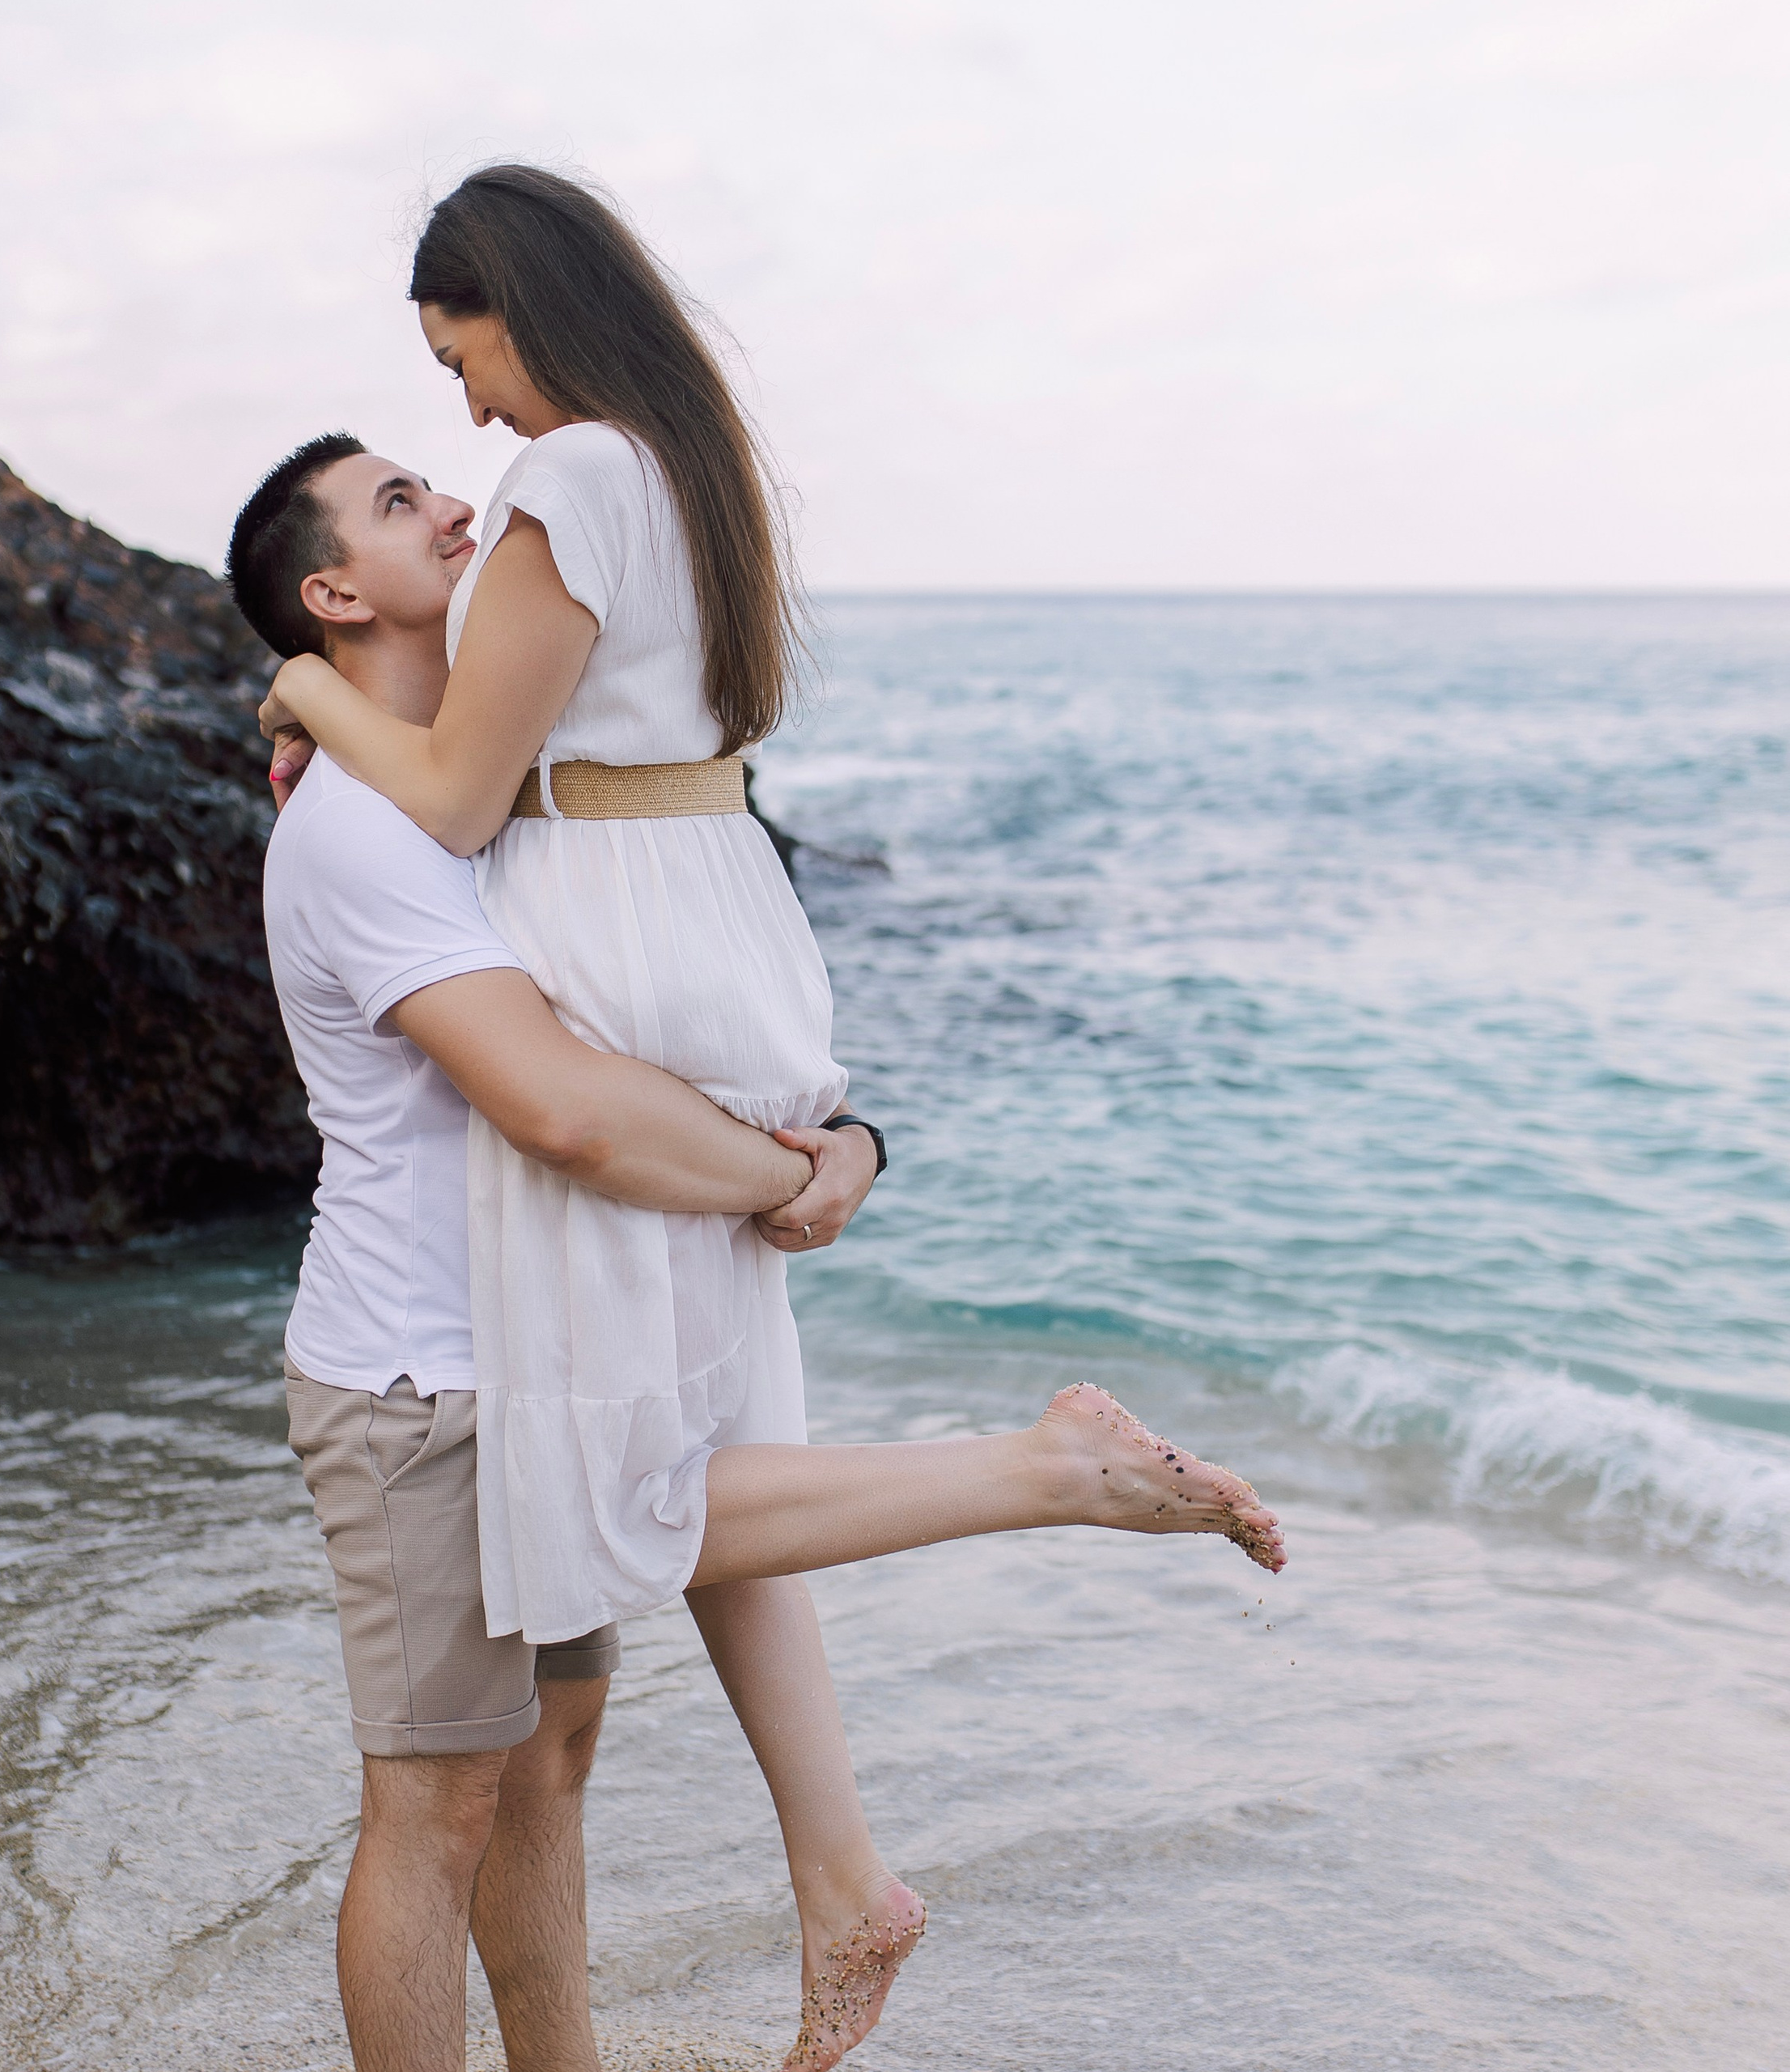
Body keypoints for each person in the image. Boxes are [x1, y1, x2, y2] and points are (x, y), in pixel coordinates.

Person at [252, 168, 1284, 2067]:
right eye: (409, 470)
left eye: (461, 361)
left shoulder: (566, 489)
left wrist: (315, 683)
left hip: (620, 1013)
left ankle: (981, 1587)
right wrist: (822, 1148)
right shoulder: (676, 468)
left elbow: (475, 810)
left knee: (623, 1541)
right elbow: (541, 969)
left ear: (519, 305)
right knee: (672, 1503)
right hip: (688, 968)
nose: (467, 428)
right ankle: (851, 1847)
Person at [239, 435, 884, 2072]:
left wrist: (849, 1137)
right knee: (432, 1803)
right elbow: (565, 1108)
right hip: (419, 1381)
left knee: (548, 1765)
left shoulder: (479, 797)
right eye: (400, 503)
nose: (459, 503)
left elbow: (655, 1011)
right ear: (332, 593)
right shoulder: (365, 831)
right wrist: (793, 1176)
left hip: (537, 1353)